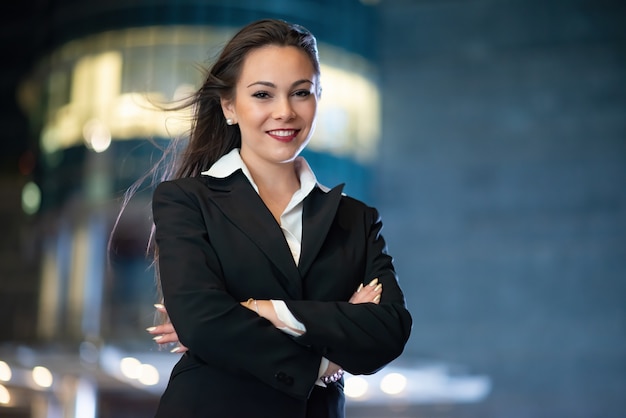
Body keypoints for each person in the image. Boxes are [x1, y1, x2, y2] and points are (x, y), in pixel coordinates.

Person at [144, 18, 412, 418]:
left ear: (318, 98)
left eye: (301, 93)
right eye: (263, 95)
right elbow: (202, 322)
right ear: (229, 106)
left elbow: (389, 329)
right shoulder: (187, 200)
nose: (284, 112)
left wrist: (260, 310)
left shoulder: (355, 219)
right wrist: (324, 362)